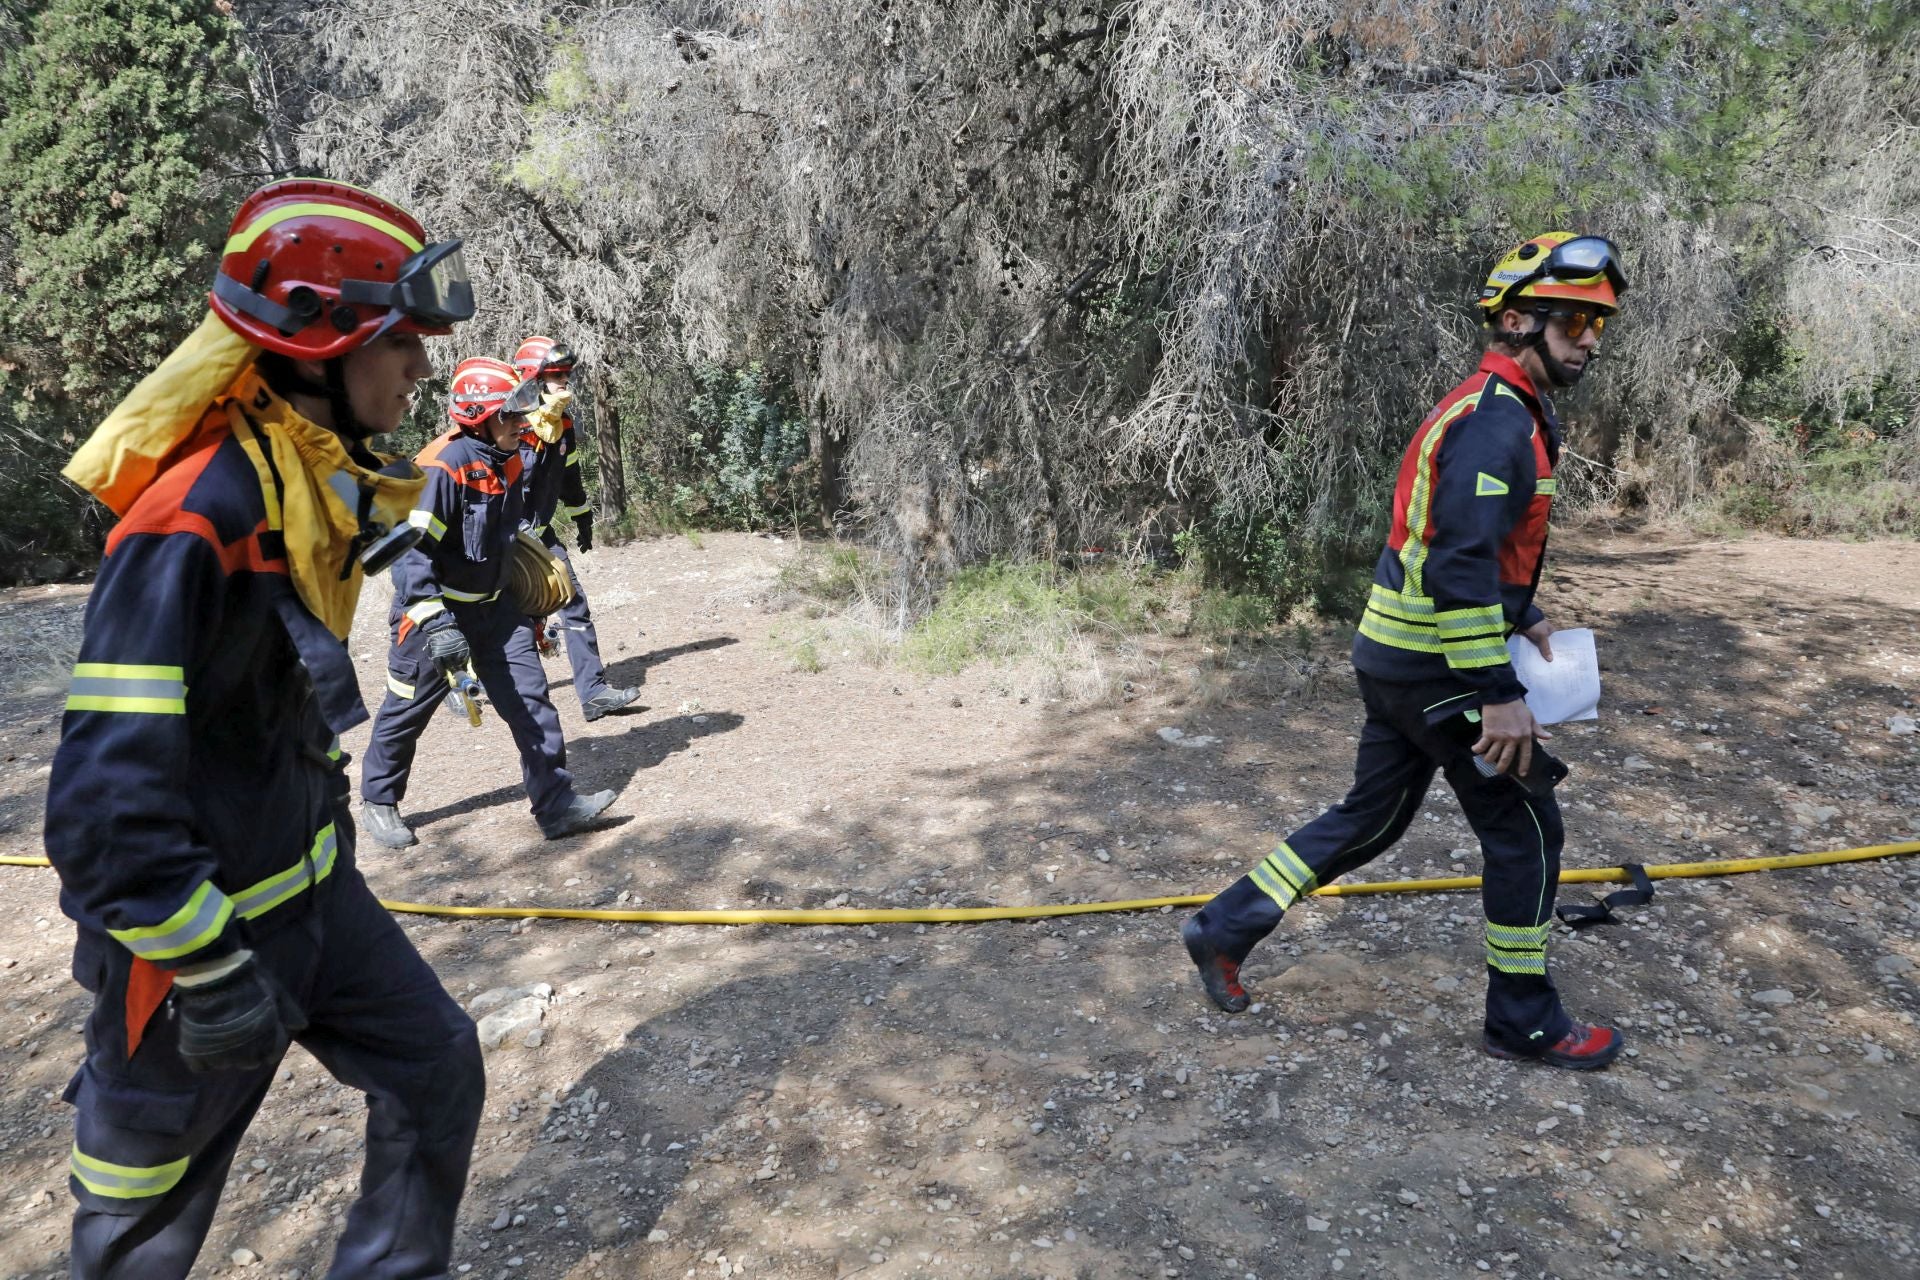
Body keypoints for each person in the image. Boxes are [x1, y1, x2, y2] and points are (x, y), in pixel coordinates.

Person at [45, 178, 486, 1277]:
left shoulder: (308, 475)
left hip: (314, 893)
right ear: (315, 343)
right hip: (199, 951)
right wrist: (207, 966)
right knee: (136, 1225)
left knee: (435, 1068)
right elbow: (102, 809)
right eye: (401, 342)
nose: (419, 369)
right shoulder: (194, 518)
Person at [1181, 232, 1632, 1071]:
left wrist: (1521, 609)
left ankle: (1223, 927)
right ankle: (1524, 1020)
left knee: (1372, 819)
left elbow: (1449, 545)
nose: (1589, 340)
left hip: (1397, 661)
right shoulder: (1496, 425)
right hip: (1437, 671)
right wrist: (1497, 691)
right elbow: (1458, 568)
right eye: (1575, 321)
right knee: (1528, 826)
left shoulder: (1497, 410)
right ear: (1519, 319)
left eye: (1599, 325)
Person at [357, 356, 617, 848]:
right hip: (436, 613)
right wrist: (436, 623)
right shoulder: (441, 468)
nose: (521, 422)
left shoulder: (512, 456)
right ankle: (378, 798)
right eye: (511, 415)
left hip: (496, 609)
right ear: (481, 418)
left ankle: (556, 806)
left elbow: (506, 537)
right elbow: (410, 555)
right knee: (407, 707)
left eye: (521, 413)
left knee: (532, 700)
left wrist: (532, 607)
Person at [511, 335, 639, 720]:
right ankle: (467, 680)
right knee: (500, 615)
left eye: (566, 374)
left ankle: (594, 691)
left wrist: (581, 514)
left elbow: (566, 473)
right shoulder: (513, 428)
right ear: (533, 380)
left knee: (573, 602)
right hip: (506, 536)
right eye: (555, 375)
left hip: (540, 530)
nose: (564, 382)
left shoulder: (562, 423)